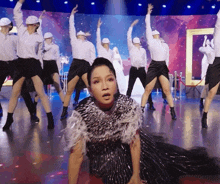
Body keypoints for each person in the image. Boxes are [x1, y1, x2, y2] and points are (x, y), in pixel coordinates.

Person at [65, 57, 220, 184]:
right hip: (101, 165)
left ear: (116, 84)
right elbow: (76, 155)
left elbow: (135, 142)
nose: (105, 86)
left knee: (172, 163)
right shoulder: (82, 112)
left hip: (129, 154)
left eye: (109, 80)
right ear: (90, 89)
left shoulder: (126, 105)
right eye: (97, 82)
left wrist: (136, 175)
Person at [3, 0, 54, 130]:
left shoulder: (39, 37)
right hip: (21, 63)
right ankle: (9, 120)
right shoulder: (21, 30)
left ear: (36, 25)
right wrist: (20, 2)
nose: (29, 26)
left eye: (32, 25)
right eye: (28, 24)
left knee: (40, 91)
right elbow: (16, 13)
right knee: (15, 92)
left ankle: (50, 118)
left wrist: (40, 68)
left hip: (33, 63)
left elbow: (40, 55)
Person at [141, 4, 176, 120]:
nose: (156, 34)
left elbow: (167, 57)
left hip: (162, 66)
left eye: (157, 33)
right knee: (148, 89)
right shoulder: (151, 41)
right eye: (154, 33)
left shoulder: (164, 44)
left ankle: (172, 111)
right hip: (154, 65)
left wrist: (166, 68)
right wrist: (148, 14)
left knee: (166, 90)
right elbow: (148, 26)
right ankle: (141, 110)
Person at [0, 17, 39, 122]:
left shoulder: (15, 38)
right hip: (1, 64)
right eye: (2, 26)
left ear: (9, 27)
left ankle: (32, 113)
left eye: (6, 26)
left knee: (23, 90)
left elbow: (23, 49)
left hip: (14, 64)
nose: (4, 28)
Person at [60, 4, 96, 120]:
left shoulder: (89, 44)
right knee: (69, 90)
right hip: (75, 64)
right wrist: (71, 16)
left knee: (90, 87)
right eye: (78, 35)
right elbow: (72, 28)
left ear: (84, 36)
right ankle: (64, 111)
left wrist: (91, 68)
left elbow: (92, 57)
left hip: (85, 65)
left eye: (81, 35)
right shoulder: (74, 41)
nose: (80, 36)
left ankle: (96, 108)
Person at [126, 19, 155, 110]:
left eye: (137, 43)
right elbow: (128, 37)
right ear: (134, 43)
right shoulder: (131, 48)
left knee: (147, 87)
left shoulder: (142, 50)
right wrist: (131, 26)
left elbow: (145, 60)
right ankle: (126, 104)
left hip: (142, 69)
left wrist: (145, 71)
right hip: (134, 69)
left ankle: (150, 103)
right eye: (135, 43)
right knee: (130, 87)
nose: (137, 44)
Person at [34, 32, 65, 110]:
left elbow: (57, 57)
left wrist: (58, 68)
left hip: (53, 65)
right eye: (46, 39)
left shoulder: (55, 47)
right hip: (44, 65)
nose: (48, 40)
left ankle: (65, 106)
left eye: (49, 38)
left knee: (57, 85)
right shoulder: (42, 47)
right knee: (40, 88)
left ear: (51, 39)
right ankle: (33, 107)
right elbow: (39, 57)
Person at [201, 10, 220, 128]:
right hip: (217, 63)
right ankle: (204, 116)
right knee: (211, 92)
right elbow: (218, 21)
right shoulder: (217, 33)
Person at [198, 36, 215, 109]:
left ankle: (205, 100)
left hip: (213, 70)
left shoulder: (215, 50)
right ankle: (201, 101)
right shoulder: (208, 50)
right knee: (205, 87)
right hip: (207, 69)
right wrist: (205, 40)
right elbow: (201, 48)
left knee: (210, 88)